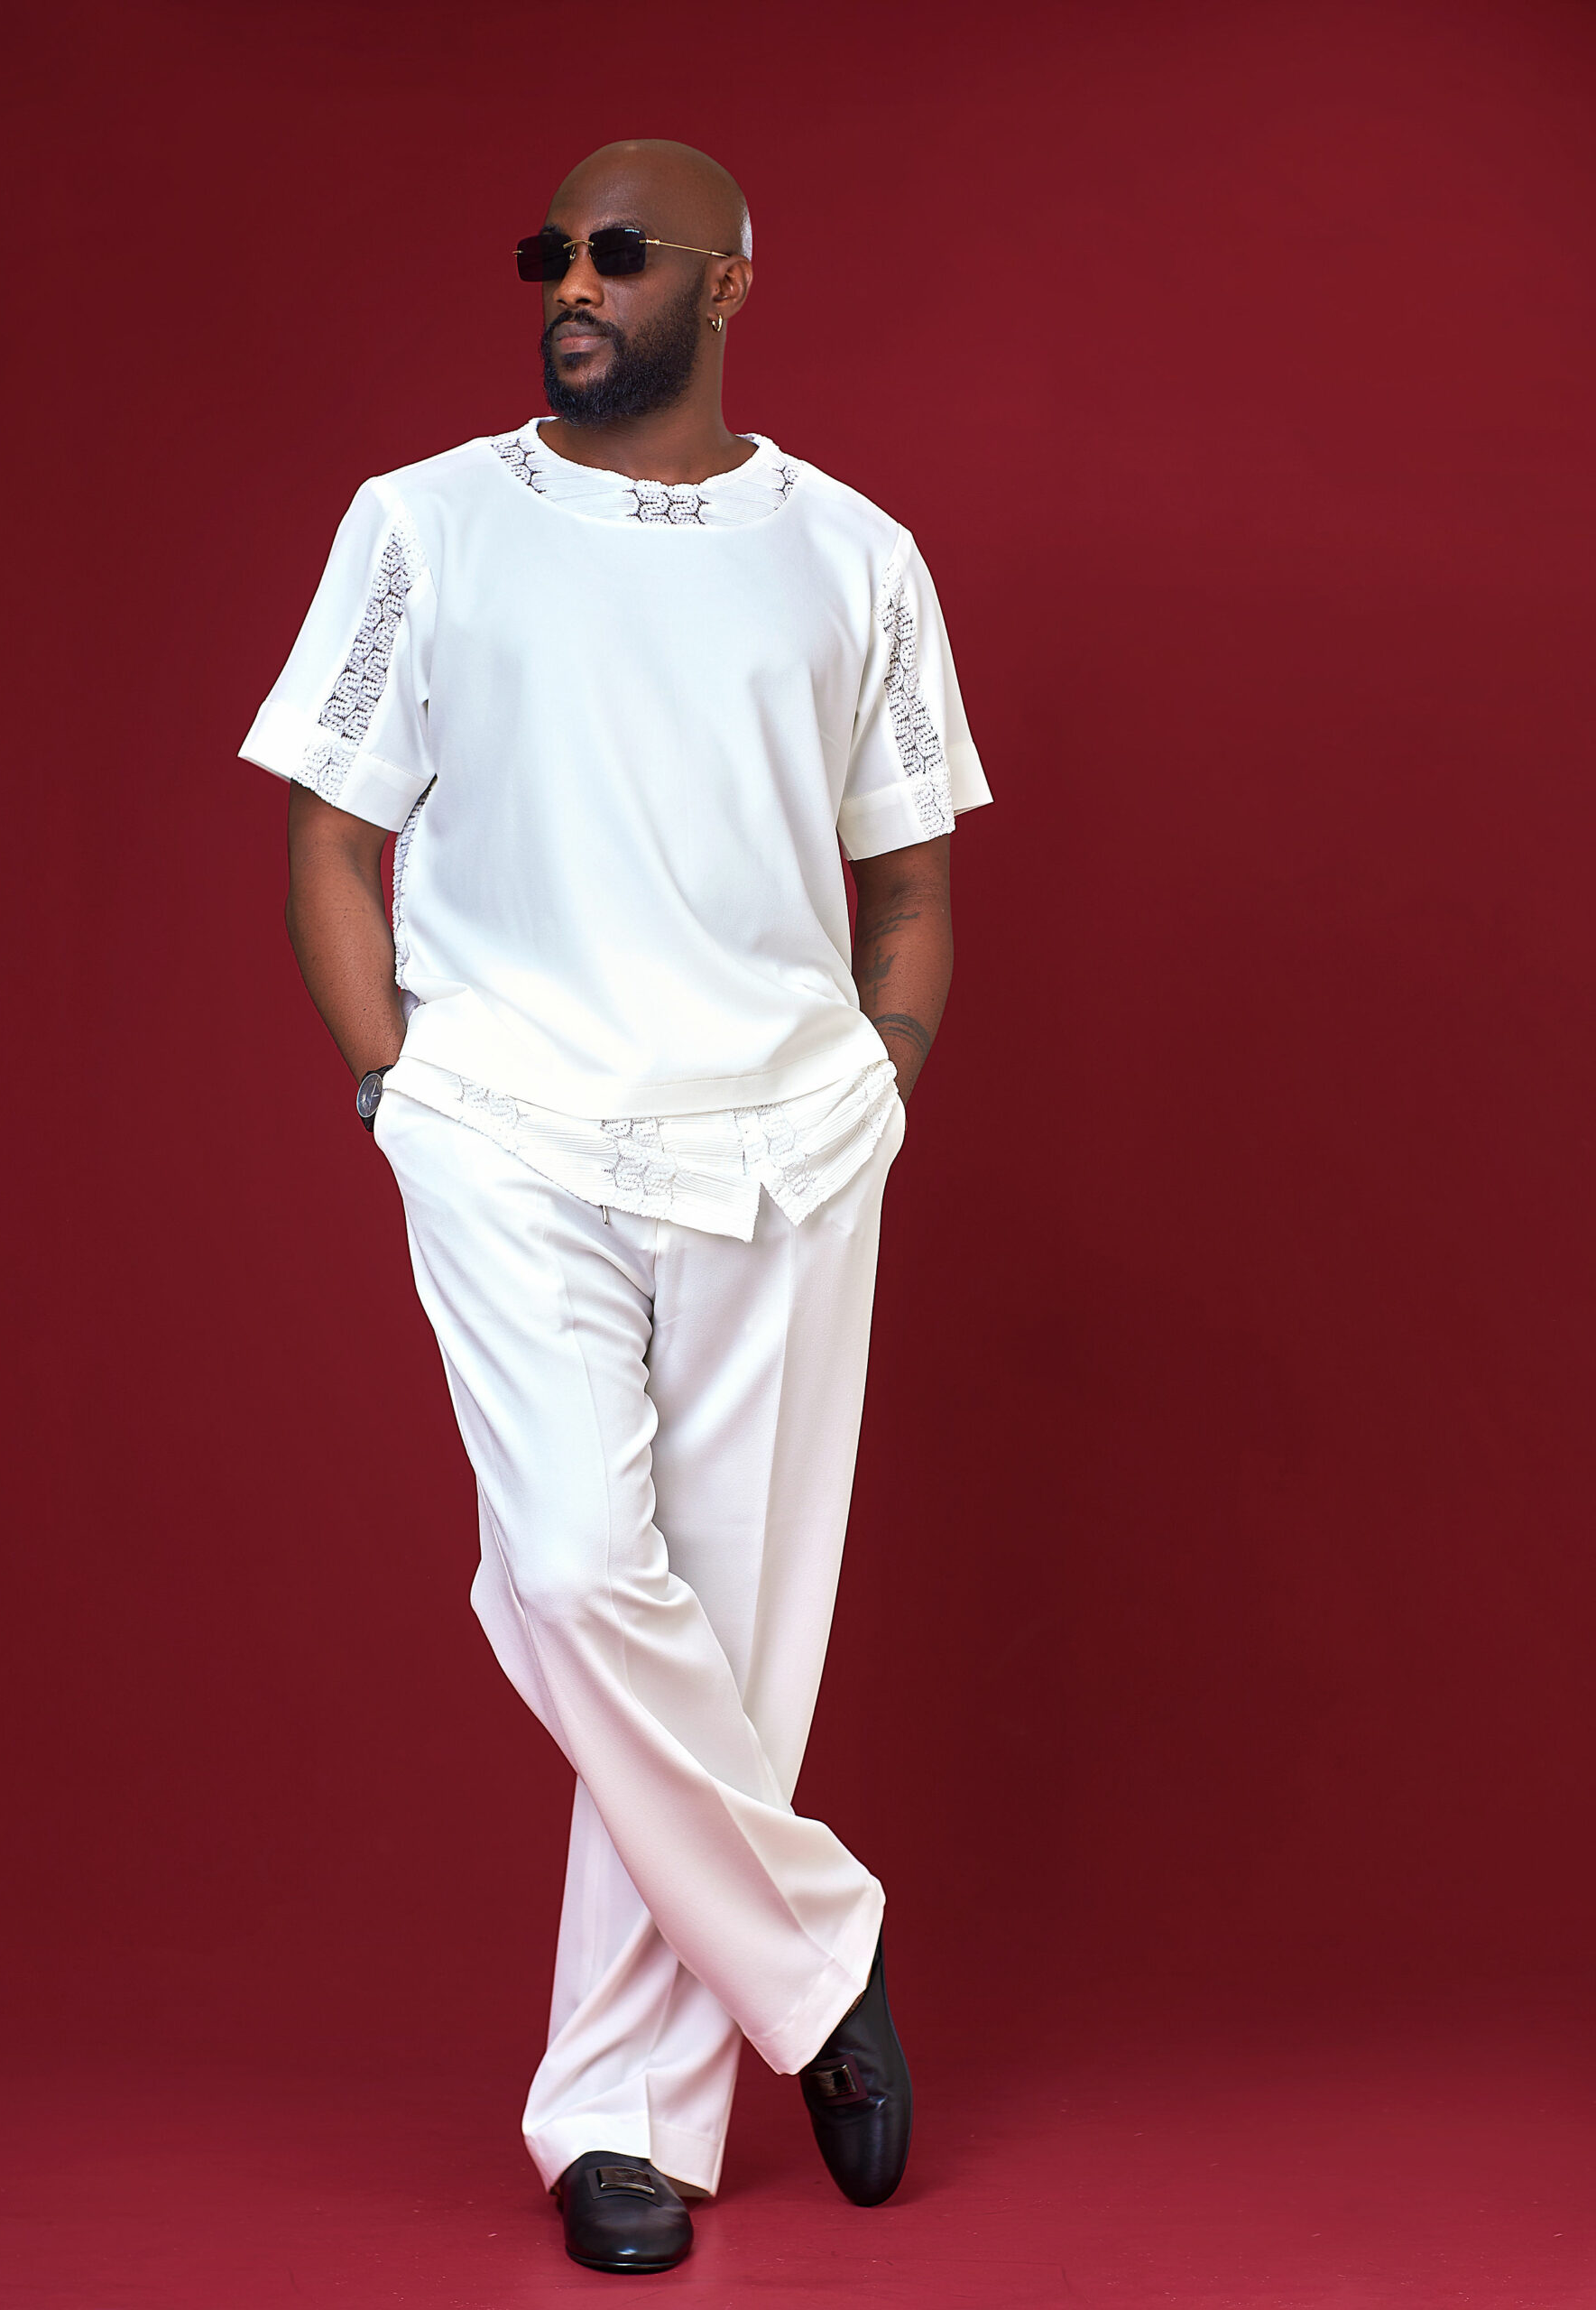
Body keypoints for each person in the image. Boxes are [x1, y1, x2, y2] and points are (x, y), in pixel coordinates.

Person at [240, 137, 989, 2276]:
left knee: (730, 1649)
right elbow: (330, 830)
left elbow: (908, 876)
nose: (574, 281)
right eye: (551, 252)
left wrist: (881, 1077)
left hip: (785, 1144)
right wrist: (395, 1084)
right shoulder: (424, 523)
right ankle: (817, 1952)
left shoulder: (854, 555)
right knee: (575, 1570)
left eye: (622, 251)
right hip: (507, 1121)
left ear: (728, 285)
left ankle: (621, 2121)